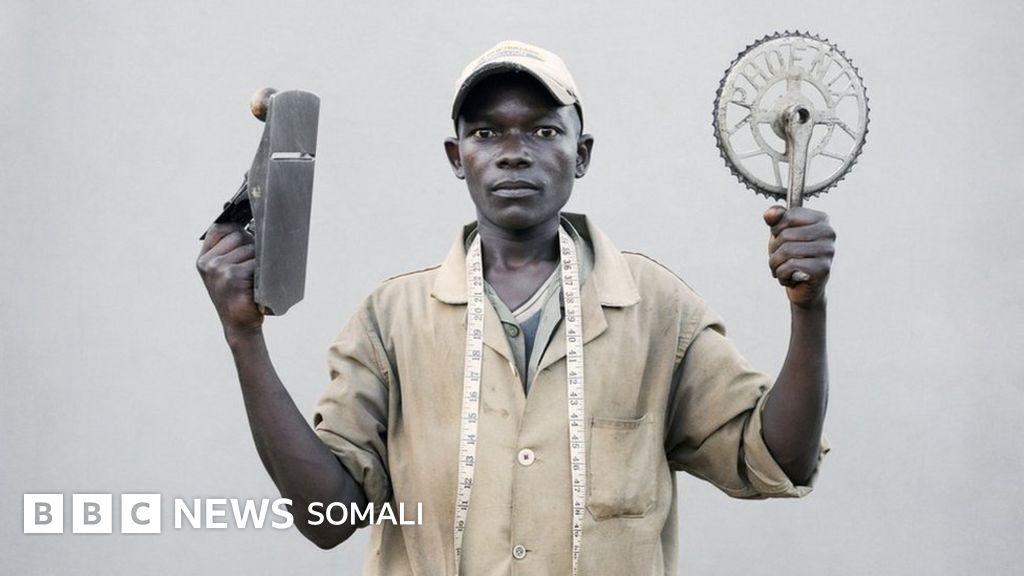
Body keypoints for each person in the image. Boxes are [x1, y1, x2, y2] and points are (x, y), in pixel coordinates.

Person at [197, 40, 833, 575]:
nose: (513, 150)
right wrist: (244, 338)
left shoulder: (656, 309)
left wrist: (808, 308)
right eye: (485, 132)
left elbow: (779, 458)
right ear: (458, 158)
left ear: (581, 154)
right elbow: (327, 518)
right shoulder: (390, 320)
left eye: (544, 130)